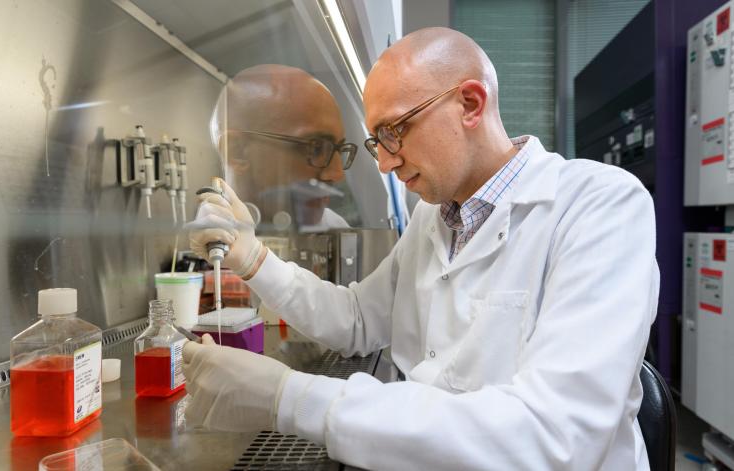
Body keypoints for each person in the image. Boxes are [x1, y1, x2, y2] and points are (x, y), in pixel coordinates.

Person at [184, 27, 659, 470]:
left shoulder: (599, 206)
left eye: (395, 131)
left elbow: (555, 435)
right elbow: (356, 320)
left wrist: (288, 397)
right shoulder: (433, 216)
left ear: (470, 103)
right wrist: (253, 259)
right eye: (377, 142)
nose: (387, 163)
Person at [211, 64, 356, 232]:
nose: (338, 174)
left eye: (338, 150)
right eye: (316, 148)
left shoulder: (333, 226)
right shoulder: (204, 241)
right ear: (237, 152)